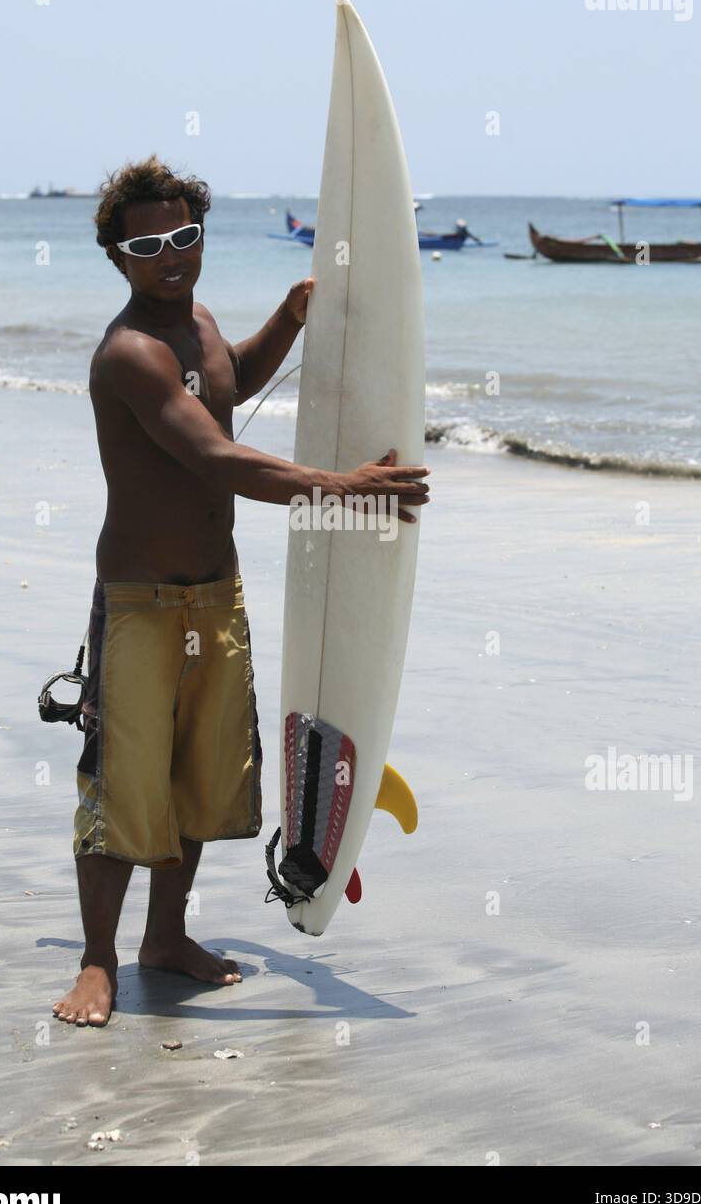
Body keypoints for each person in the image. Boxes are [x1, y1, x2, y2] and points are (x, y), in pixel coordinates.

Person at [52, 156, 431, 1026]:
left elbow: (232, 387)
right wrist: (341, 485)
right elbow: (214, 456)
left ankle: (164, 940)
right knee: (121, 784)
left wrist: (290, 320)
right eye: (148, 243)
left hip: (215, 599)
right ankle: (96, 961)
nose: (171, 254)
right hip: (142, 603)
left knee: (194, 778)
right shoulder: (130, 354)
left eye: (185, 235)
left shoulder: (199, 326)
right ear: (118, 257)